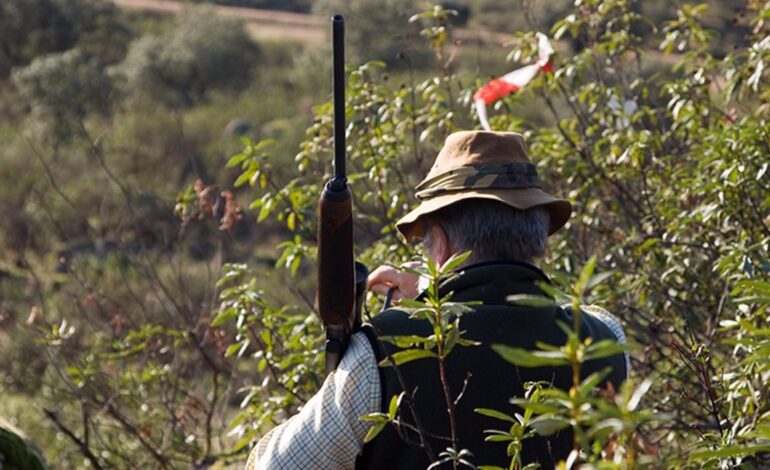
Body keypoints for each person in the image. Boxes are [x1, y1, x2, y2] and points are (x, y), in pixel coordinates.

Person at [246, 131, 629, 469]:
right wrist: (440, 292)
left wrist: (433, 298)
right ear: (538, 237)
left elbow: (276, 465)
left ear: (441, 243)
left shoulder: (385, 350)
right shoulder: (605, 339)